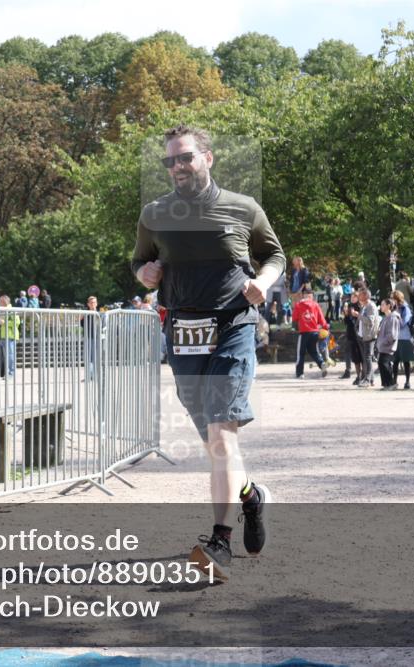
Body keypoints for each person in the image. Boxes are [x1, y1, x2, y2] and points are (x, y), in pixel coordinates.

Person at [132, 123, 285, 580]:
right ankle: (251, 498)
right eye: (170, 160)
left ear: (208, 158)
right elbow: (139, 259)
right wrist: (145, 273)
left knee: (222, 438)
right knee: (217, 445)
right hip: (182, 334)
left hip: (234, 327)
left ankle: (219, 542)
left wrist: (263, 282)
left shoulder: (243, 208)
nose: (177, 166)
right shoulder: (155, 213)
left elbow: (275, 254)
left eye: (185, 158)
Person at [291, 284, 328, 379]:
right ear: (311, 295)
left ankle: (300, 373)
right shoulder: (315, 305)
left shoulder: (299, 305)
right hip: (315, 332)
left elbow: (294, 318)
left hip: (303, 333)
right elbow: (322, 320)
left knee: (301, 353)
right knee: (314, 351)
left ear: (303, 295)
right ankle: (321, 363)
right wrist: (325, 328)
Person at [355, 287, 379, 388]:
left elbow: (370, 321)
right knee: (366, 358)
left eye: (360, 294)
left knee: (368, 358)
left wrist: (358, 316)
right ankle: (371, 379)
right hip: (362, 336)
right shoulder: (364, 306)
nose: (358, 296)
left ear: (365, 295)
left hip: (369, 336)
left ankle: (368, 380)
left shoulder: (370, 306)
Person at [391, 290, 414, 389]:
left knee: (406, 361)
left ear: (396, 298)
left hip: (405, 337)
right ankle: (394, 381)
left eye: (392, 298)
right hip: (395, 337)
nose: (391, 300)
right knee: (395, 361)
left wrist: (396, 316)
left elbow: (403, 323)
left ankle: (407, 382)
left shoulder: (405, 308)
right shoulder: (394, 307)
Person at [376, 299, 401, 389]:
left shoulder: (393, 317)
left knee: (384, 364)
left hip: (388, 346)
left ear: (388, 306)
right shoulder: (386, 317)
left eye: (383, 304)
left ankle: (391, 383)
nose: (381, 306)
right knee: (382, 364)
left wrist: (383, 342)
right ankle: (386, 384)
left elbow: (392, 335)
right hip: (383, 346)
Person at [80, 296, 105, 381]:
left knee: (95, 357)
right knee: (88, 357)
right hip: (88, 337)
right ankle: (89, 376)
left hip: (97, 338)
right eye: (91, 303)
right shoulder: (85, 314)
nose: (93, 304)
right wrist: (81, 318)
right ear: (88, 304)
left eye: (94, 302)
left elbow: (103, 325)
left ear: (97, 303)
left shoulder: (100, 314)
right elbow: (82, 325)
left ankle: (95, 375)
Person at [341, 295, 363, 382]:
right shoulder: (350, 306)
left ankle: (364, 375)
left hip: (359, 334)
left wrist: (355, 315)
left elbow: (359, 321)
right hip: (351, 334)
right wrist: (346, 315)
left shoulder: (361, 307)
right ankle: (358, 376)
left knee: (361, 356)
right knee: (355, 356)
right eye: (352, 297)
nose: (352, 299)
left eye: (354, 297)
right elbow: (347, 323)